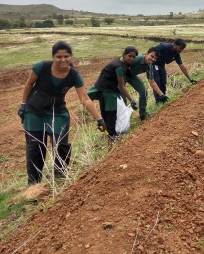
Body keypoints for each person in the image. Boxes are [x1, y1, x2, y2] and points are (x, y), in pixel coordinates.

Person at [17, 41, 107, 185]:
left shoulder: (74, 75)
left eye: (66, 56)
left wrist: (99, 119)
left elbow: (85, 98)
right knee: (35, 148)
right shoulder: (41, 67)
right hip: (35, 111)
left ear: (71, 57)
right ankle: (33, 184)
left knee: (61, 144)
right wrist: (23, 104)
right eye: (59, 57)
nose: (63, 60)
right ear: (53, 57)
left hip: (57, 113)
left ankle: (60, 175)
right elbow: (29, 84)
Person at [87, 46, 138, 139]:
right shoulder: (118, 67)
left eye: (134, 57)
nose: (131, 58)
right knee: (109, 112)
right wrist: (131, 100)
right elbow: (121, 86)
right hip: (105, 89)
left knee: (112, 111)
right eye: (130, 56)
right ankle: (111, 135)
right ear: (124, 54)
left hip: (110, 88)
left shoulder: (123, 62)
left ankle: (111, 132)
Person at [126, 47, 169, 120]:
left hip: (132, 76)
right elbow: (123, 63)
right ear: (147, 53)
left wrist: (161, 95)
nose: (153, 59)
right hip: (121, 75)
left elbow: (152, 82)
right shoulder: (137, 58)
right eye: (151, 56)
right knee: (122, 97)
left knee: (144, 92)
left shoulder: (149, 66)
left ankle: (142, 113)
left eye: (155, 58)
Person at [152, 39, 197, 103]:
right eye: (180, 48)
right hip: (153, 64)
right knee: (157, 82)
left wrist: (190, 79)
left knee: (163, 82)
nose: (181, 50)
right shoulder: (164, 46)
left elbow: (181, 66)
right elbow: (150, 51)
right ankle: (158, 100)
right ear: (175, 45)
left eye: (182, 49)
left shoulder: (176, 54)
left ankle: (163, 99)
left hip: (161, 65)